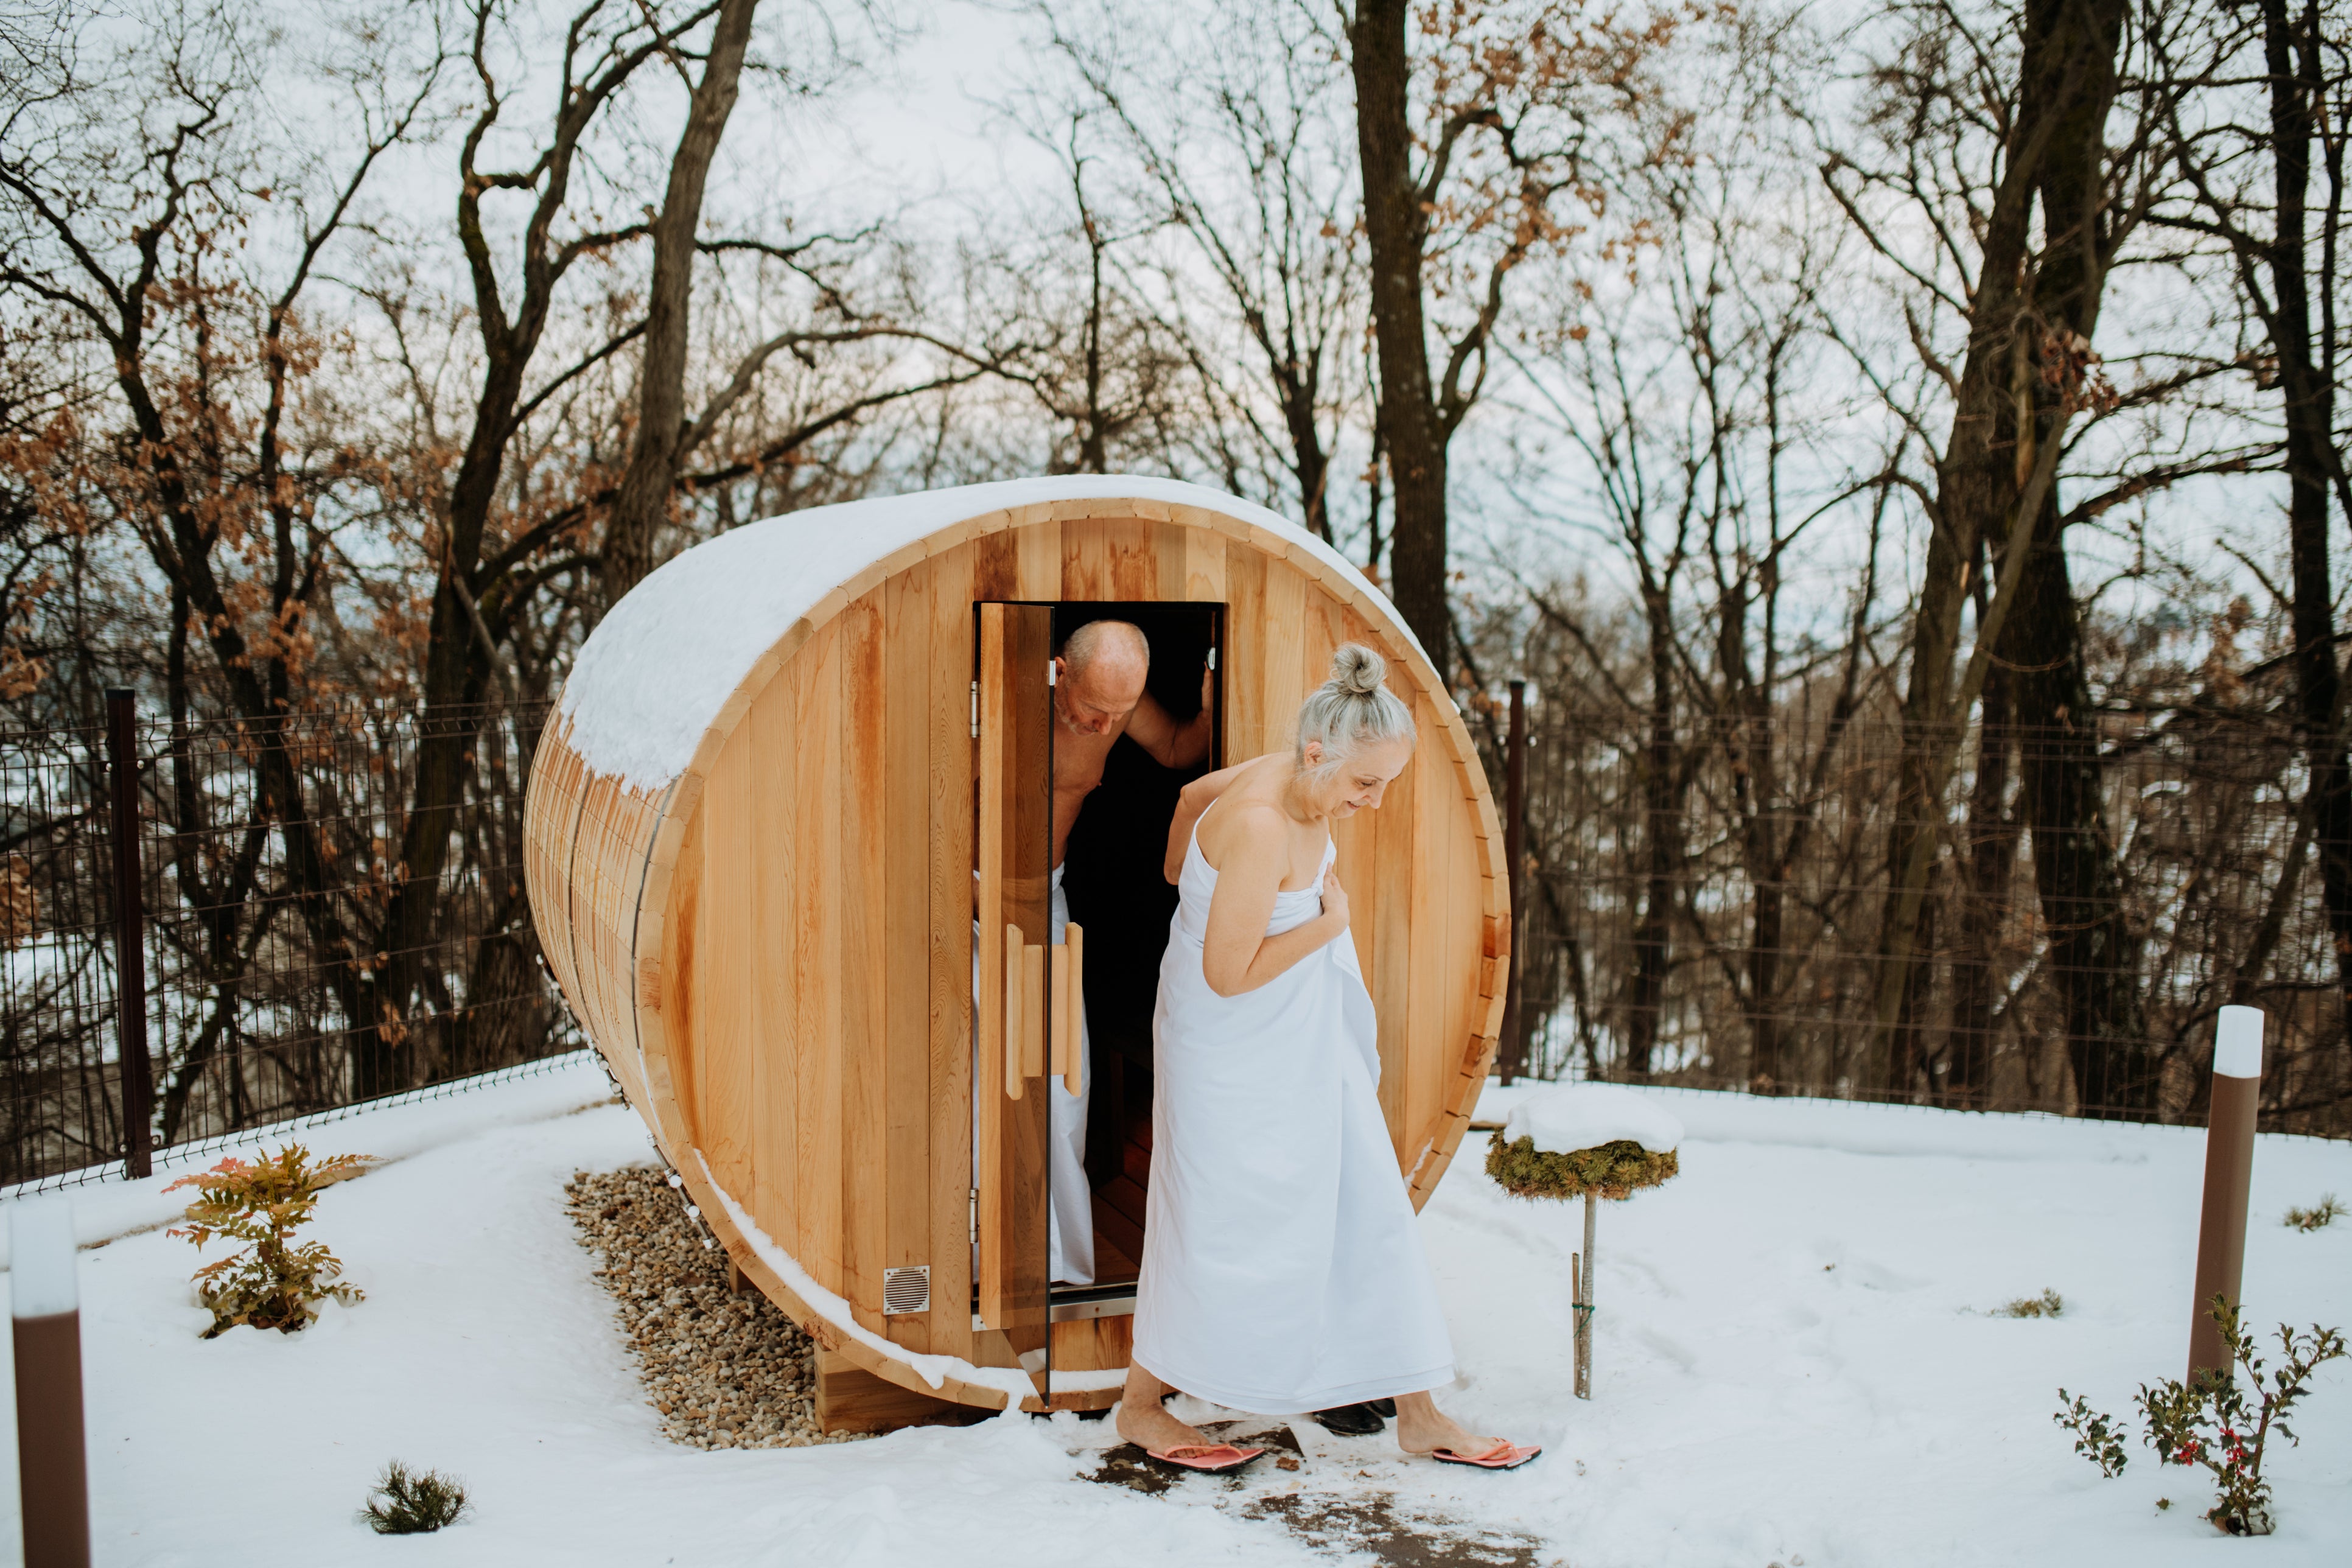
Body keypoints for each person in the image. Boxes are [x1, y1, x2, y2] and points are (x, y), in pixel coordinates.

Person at [1116, 643, 1539, 1474]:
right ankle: (1140, 1404)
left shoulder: (1290, 776)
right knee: (1220, 1214)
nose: (1374, 803)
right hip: (1230, 1041)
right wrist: (1325, 926)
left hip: (1301, 1026)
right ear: (1318, 754)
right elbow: (1227, 974)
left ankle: (1419, 1412)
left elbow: (1187, 796)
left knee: (1366, 1190)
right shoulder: (1263, 825)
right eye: (1364, 785)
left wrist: (1181, 870)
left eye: (1383, 784)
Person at [1041, 620, 1211, 1284]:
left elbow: (1174, 748)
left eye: (1118, 713)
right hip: (954, 901)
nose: (1103, 724)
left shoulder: (1116, 708)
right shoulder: (997, 698)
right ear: (1059, 671)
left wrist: (1211, 700)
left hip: (1041, 897)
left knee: (1064, 1082)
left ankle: (1064, 1272)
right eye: (1093, 708)